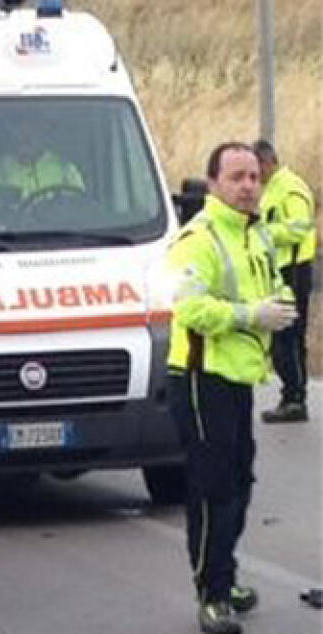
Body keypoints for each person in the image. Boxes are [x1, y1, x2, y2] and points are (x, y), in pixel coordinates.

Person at [165, 142, 298, 634]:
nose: (247, 186)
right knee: (213, 490)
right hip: (202, 379)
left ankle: (225, 574)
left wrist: (281, 304)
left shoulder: (256, 233)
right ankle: (213, 594)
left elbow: (270, 281)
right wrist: (250, 315)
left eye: (253, 177)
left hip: (240, 378)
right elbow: (188, 308)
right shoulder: (199, 237)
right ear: (214, 183)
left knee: (241, 485)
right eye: (237, 177)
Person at [252, 139, 316, 423]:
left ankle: (295, 399)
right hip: (280, 272)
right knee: (283, 338)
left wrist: (265, 233)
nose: (255, 177)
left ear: (267, 162)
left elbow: (300, 227)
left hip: (293, 271)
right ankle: (290, 396)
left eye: (256, 170)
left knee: (288, 339)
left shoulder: (290, 187)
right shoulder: (274, 187)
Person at [0, 123, 85, 205]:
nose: (24, 141)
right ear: (12, 138)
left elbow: (80, 208)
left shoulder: (65, 169)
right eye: (20, 136)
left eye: (29, 137)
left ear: (42, 137)